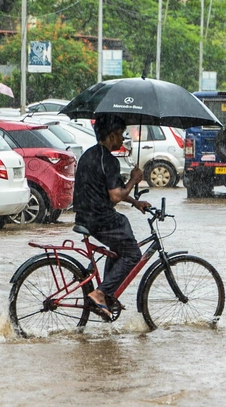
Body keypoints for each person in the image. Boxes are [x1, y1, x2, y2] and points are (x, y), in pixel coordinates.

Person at [73, 114, 151, 318]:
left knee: (118, 247)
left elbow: (105, 190)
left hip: (85, 216)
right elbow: (116, 195)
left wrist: (136, 203)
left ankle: (107, 295)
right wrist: (134, 180)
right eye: (120, 135)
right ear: (111, 136)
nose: (122, 139)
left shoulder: (89, 155)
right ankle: (101, 293)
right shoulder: (108, 160)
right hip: (100, 218)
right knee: (133, 254)